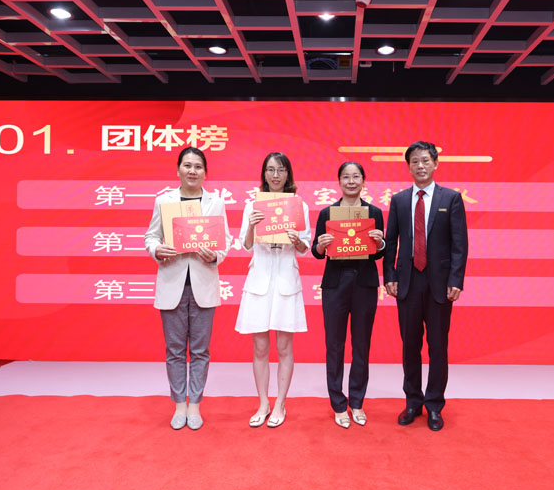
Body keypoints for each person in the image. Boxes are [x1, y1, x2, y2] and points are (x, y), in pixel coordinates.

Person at [145, 147, 232, 430]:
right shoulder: (164, 201)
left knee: (200, 349)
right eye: (187, 165)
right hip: (172, 282)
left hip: (203, 283)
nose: (192, 171)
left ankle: (194, 403)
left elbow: (224, 241)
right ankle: (178, 405)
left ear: (205, 172)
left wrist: (215, 255)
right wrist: (157, 249)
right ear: (178, 170)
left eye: (198, 166)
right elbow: (151, 236)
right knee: (174, 349)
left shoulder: (215, 203)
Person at [383, 141, 468, 431]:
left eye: (425, 161)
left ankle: (434, 405)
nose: (420, 166)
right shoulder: (399, 200)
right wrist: (390, 276)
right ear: (408, 166)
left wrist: (456, 280)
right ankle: (412, 402)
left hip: (440, 285)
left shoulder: (451, 198)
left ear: (435, 164)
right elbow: (390, 241)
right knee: (410, 345)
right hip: (407, 282)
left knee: (438, 346)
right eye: (415, 161)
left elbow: (460, 244)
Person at [235, 152, 311, 428]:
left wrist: (296, 240)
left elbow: (305, 247)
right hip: (260, 281)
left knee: (284, 347)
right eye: (270, 170)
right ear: (264, 174)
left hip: (286, 281)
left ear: (288, 174)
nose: (275, 175)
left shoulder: (298, 205)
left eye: (280, 170)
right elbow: (245, 245)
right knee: (259, 347)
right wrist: (252, 226)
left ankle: (280, 403)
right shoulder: (252, 205)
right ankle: (263, 403)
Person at [312, 162, 385, 429]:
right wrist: (321, 246)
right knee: (334, 345)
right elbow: (316, 252)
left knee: (361, 345)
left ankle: (356, 401)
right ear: (339, 181)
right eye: (346, 177)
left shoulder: (374, 213)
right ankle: (338, 404)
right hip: (335, 284)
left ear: (364, 181)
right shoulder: (327, 213)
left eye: (356, 176)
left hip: (364, 283)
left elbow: (379, 252)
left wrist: (380, 242)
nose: (351, 181)